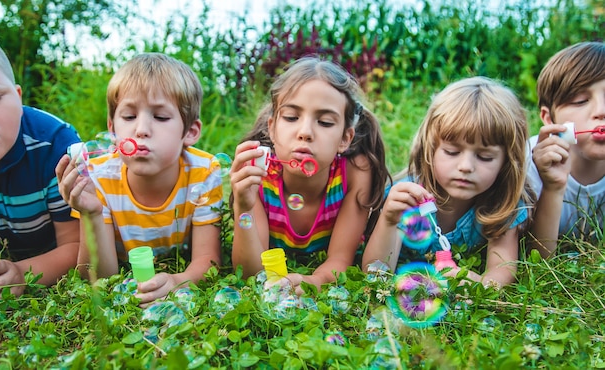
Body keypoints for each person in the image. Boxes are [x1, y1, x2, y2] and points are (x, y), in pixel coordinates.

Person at [56, 53, 223, 304]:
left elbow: (207, 262)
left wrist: (178, 281)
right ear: (112, 129)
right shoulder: (97, 177)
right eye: (129, 117)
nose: (141, 129)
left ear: (190, 132)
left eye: (161, 117)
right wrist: (91, 213)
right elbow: (97, 276)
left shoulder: (203, 171)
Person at [230, 57, 390, 295]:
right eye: (291, 118)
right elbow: (250, 273)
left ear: (345, 138)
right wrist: (243, 204)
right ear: (272, 128)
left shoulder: (355, 172)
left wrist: (312, 281)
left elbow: (339, 261)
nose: (305, 132)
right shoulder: (260, 173)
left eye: (325, 122)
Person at [362, 77, 533, 288]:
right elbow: (376, 271)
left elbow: (501, 272)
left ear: (507, 161)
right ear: (430, 149)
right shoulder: (407, 199)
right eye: (452, 152)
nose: (466, 166)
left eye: (485, 157)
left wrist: (474, 282)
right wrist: (389, 220)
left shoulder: (500, 205)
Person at [0, 31, 81, 298]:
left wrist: (22, 273)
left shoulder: (55, 146)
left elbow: (76, 244)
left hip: (49, 247)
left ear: (18, 97)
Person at [528, 42, 605, 258]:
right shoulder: (526, 164)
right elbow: (538, 264)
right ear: (549, 118)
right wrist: (553, 187)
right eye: (580, 100)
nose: (601, 111)